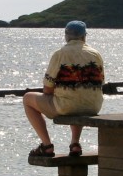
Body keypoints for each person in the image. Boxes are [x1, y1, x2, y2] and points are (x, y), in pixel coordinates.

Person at [23, 20, 105, 157]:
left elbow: (47, 89)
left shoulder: (60, 54)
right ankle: (75, 143)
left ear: (66, 36)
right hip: (94, 106)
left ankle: (46, 145)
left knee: (27, 99)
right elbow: (100, 82)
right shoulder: (96, 54)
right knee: (78, 95)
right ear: (84, 36)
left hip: (66, 106)